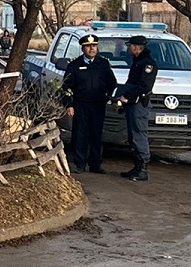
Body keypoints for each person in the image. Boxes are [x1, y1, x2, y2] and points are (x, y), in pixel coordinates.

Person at [61, 34, 116, 173]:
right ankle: (79, 164)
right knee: (80, 134)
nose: (92, 49)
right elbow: (67, 86)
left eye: (94, 46)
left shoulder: (103, 64)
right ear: (83, 48)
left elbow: (112, 83)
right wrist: (69, 104)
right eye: (88, 46)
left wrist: (110, 97)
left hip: (98, 104)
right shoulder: (75, 65)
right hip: (81, 104)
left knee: (96, 134)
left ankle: (95, 164)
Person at [111, 34, 159, 181]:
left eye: (130, 46)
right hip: (132, 104)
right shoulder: (137, 62)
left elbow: (144, 86)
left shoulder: (147, 64)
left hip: (139, 104)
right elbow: (131, 83)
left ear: (136, 47)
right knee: (133, 136)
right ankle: (137, 167)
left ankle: (143, 168)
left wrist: (127, 96)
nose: (129, 48)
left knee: (139, 134)